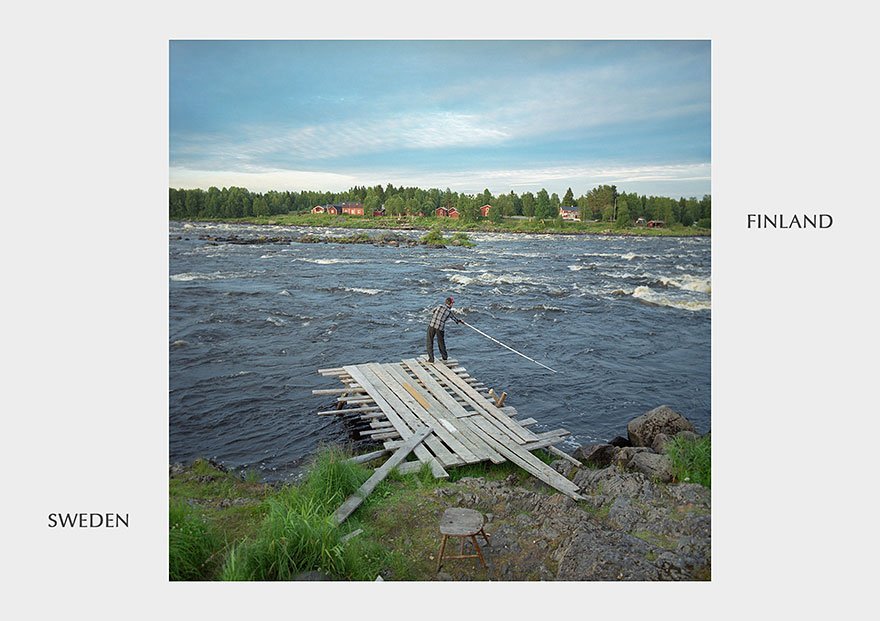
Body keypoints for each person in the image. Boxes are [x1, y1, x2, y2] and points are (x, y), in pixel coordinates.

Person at [426, 296, 462, 363]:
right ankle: (444, 357)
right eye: (452, 303)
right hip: (440, 328)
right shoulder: (449, 312)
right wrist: (459, 321)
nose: (452, 305)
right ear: (450, 304)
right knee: (441, 343)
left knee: (429, 342)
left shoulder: (439, 306)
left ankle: (431, 359)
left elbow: (433, 311)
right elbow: (455, 319)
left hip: (432, 325)